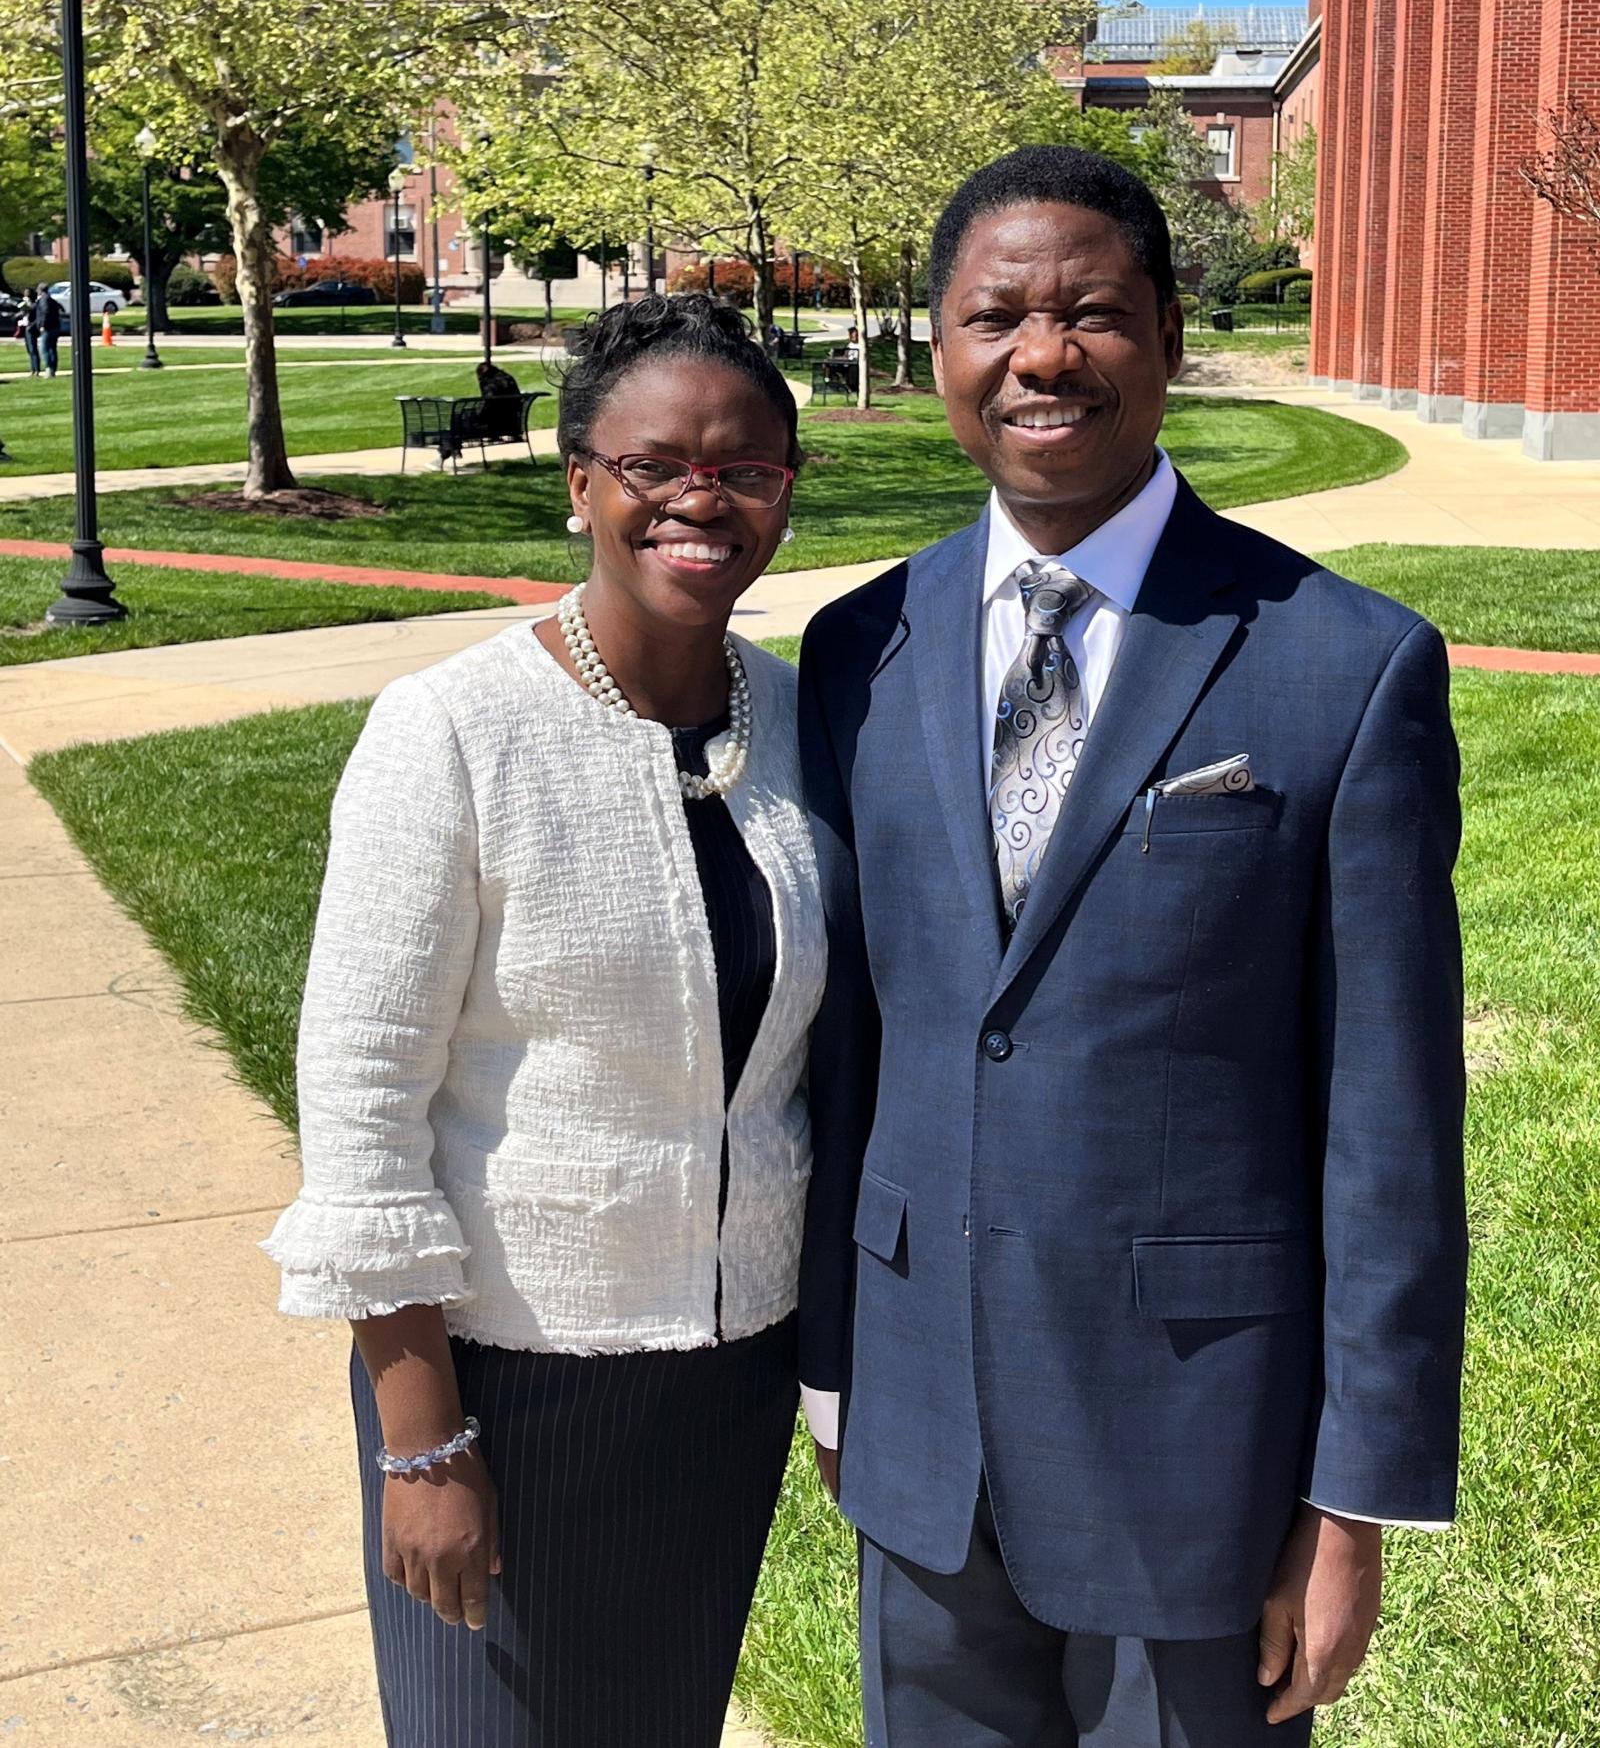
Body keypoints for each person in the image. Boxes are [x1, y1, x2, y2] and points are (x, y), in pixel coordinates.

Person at [797, 146, 1467, 1747]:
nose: (1042, 355)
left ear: (1166, 332)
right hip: (920, 1426)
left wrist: (1352, 1493)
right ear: (943, 347)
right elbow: (854, 1044)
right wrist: (834, 1370)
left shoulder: (1344, 665)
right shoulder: (857, 650)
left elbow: (1389, 1120)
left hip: (1201, 1454)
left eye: (1091, 311)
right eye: (994, 317)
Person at [264, 291, 823, 1748]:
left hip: (724, 1382)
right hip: (505, 1379)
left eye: (746, 467)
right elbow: (364, 1099)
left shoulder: (800, 723)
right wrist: (421, 1436)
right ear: (582, 481)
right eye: (657, 464)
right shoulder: (450, 730)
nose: (703, 498)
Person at [32, 285, 63, 378]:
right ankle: (53, 369)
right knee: (52, 348)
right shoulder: (52, 300)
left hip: (48, 328)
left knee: (44, 349)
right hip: (55, 326)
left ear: (40, 290)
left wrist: (42, 325)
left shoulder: (43, 300)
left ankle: (49, 368)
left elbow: (45, 312)